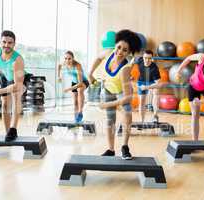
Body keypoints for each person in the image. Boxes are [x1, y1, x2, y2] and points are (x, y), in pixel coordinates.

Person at [88, 29, 141, 160]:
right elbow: (98, 58)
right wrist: (90, 73)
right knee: (110, 120)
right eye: (119, 47)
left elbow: (128, 97)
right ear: (115, 45)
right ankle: (111, 149)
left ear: (129, 52)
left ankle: (124, 147)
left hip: (122, 92)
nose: (119, 52)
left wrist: (108, 104)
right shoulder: (108, 53)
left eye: (125, 50)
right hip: (108, 89)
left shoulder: (125, 68)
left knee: (127, 112)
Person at [0, 30, 30, 142]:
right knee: (4, 105)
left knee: (16, 97)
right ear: (0, 42)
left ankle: (13, 129)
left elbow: (17, 85)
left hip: (19, 79)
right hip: (6, 76)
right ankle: (7, 131)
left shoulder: (17, 60)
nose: (6, 45)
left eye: (10, 43)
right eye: (4, 42)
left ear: (14, 44)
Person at [134, 49, 167, 123]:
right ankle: (141, 121)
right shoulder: (139, 60)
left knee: (156, 92)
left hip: (151, 82)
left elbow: (158, 84)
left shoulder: (154, 68)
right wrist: (129, 74)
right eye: (145, 58)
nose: (147, 60)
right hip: (141, 81)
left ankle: (155, 116)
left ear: (152, 58)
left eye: (149, 58)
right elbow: (132, 61)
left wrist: (146, 87)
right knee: (142, 101)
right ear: (143, 57)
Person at [57, 51, 89, 123]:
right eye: (66, 58)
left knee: (80, 90)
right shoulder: (64, 63)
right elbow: (59, 66)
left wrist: (68, 89)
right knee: (75, 102)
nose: (67, 60)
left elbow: (80, 83)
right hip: (74, 83)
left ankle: (80, 112)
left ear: (73, 58)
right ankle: (76, 120)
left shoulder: (78, 66)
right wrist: (59, 76)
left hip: (83, 82)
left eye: (69, 59)